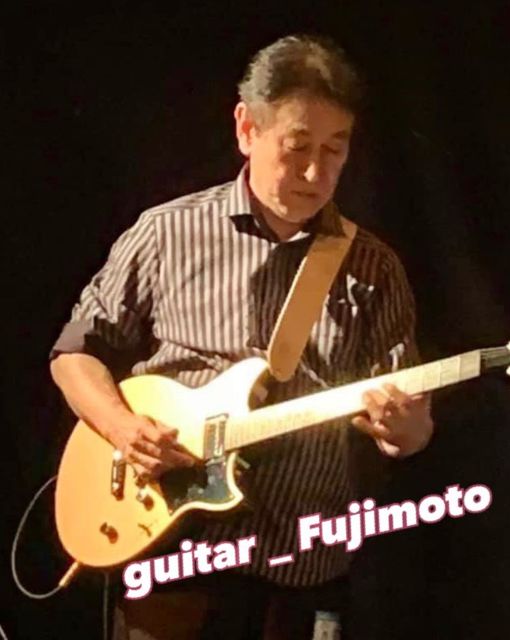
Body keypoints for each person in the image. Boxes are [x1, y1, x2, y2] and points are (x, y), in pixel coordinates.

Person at [50, 34, 434, 640]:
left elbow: (410, 431)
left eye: (335, 150)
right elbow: (74, 355)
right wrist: (123, 429)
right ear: (247, 129)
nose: (316, 173)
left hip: (303, 568)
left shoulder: (375, 268)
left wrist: (407, 430)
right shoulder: (165, 234)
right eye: (297, 147)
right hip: (171, 555)